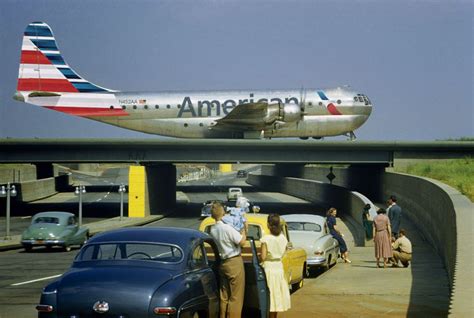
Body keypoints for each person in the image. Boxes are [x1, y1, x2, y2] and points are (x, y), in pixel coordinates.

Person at [209, 201, 247, 318]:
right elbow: (242, 242)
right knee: (236, 297)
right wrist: (244, 229)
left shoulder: (212, 229)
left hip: (223, 262)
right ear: (223, 213)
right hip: (234, 261)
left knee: (224, 295)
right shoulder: (227, 228)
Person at [260, 214, 291, 317]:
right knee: (277, 296)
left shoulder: (266, 239)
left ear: (268, 225)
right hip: (279, 267)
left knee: (269, 296)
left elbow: (263, 257)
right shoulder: (283, 238)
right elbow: (284, 252)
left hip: (269, 268)